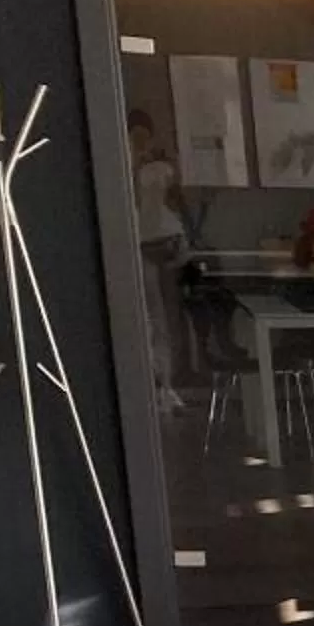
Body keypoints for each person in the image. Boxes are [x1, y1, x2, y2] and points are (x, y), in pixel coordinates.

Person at [128, 107, 192, 409]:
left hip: (166, 239)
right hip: (142, 242)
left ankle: (169, 382)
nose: (141, 141)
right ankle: (158, 382)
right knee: (152, 315)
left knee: (166, 314)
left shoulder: (160, 165)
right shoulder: (126, 164)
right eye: (135, 136)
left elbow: (176, 200)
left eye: (144, 136)